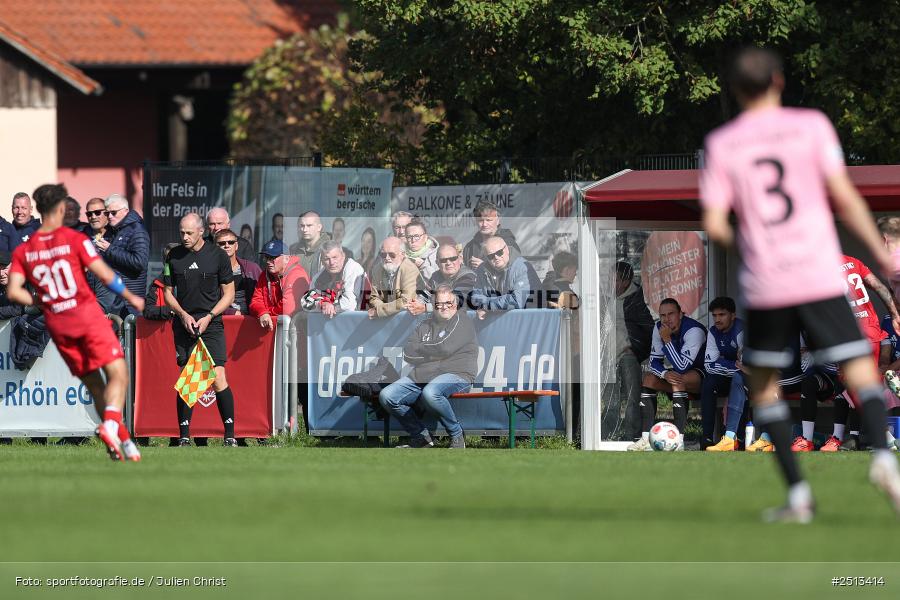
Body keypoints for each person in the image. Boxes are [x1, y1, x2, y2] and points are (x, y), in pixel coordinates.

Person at [700, 46, 900, 520]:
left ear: (735, 90)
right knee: (859, 368)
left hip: (768, 282)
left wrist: (752, 246)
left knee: (761, 383)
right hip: (818, 271)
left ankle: (798, 495)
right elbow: (845, 197)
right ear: (779, 81)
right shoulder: (812, 126)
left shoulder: (723, 143)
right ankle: (883, 458)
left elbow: (714, 222)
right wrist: (880, 256)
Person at [6, 183, 145, 461]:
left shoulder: (25, 250)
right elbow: (106, 275)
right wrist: (132, 296)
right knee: (119, 374)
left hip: (59, 325)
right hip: (85, 316)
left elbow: (13, 291)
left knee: (95, 384)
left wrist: (42, 301)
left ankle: (120, 440)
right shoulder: (75, 240)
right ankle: (110, 425)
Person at [791, 254, 898, 452]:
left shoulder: (819, 268)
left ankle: (882, 435)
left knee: (853, 386)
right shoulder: (853, 261)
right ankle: (883, 435)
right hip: (872, 331)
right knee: (863, 386)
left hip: (850, 334)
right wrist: (895, 314)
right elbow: (880, 287)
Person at [163, 213, 238, 447]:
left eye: (189, 233)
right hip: (184, 324)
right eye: (182, 233)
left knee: (217, 376)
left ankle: (230, 436)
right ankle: (184, 437)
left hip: (211, 323)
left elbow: (229, 294)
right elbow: (167, 293)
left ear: (201, 232)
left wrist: (210, 316)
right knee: (189, 377)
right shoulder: (173, 256)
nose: (184, 237)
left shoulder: (218, 256)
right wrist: (183, 315)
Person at [379, 285, 477, 448]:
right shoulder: (424, 324)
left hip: (457, 374)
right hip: (423, 375)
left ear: (455, 304)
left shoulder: (463, 320)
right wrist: (434, 353)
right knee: (387, 396)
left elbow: (446, 347)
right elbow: (408, 353)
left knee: (431, 393)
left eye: (448, 303)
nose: (444, 307)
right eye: (439, 304)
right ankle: (421, 437)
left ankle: (457, 435)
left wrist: (423, 349)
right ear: (433, 305)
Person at [627, 298, 706, 451]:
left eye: (671, 314)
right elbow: (654, 362)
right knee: (649, 379)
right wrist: (664, 374)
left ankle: (679, 441)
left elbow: (682, 367)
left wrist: (667, 340)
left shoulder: (693, 330)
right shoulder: (659, 328)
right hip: (677, 376)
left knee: (678, 379)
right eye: (662, 315)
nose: (666, 319)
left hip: (702, 378)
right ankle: (646, 439)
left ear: (680, 314)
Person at [615, 262, 654, 442]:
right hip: (606, 356)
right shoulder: (603, 297)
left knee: (632, 396)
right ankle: (607, 434)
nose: (610, 283)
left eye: (615, 279)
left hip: (628, 355)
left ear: (625, 282)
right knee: (609, 398)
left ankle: (632, 435)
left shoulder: (636, 301)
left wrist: (634, 348)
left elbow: (648, 329)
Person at [701, 297, 747, 451]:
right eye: (714, 315)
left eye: (722, 315)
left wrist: (721, 363)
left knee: (739, 379)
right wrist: (733, 365)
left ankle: (739, 439)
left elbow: (747, 367)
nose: (717, 319)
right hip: (730, 374)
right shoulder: (713, 332)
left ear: (733, 315)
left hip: (747, 379)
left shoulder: (741, 330)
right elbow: (709, 365)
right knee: (708, 383)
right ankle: (707, 439)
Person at [95, 193, 149, 316]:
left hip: (129, 304)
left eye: (113, 213)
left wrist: (109, 249)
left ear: (125, 211)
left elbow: (139, 262)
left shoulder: (137, 230)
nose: (109, 216)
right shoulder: (111, 230)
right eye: (107, 213)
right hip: (111, 301)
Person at [469, 235, 541, 319]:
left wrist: (487, 306)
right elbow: (475, 297)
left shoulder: (522, 267)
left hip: (529, 320)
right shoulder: (482, 269)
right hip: (498, 322)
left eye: (499, 252)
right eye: (491, 256)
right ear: (486, 257)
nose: (496, 257)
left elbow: (517, 300)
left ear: (506, 249)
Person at [249, 240, 311, 330]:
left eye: (272, 257)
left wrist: (267, 314)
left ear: (286, 258)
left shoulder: (296, 273)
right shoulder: (264, 274)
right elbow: (255, 301)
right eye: (266, 257)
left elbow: (288, 307)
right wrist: (262, 313)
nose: (268, 261)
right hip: (274, 327)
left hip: (296, 329)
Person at [407, 243, 476, 316]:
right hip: (441, 318)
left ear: (459, 259)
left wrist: (426, 308)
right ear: (437, 263)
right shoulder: (436, 276)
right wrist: (414, 304)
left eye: (453, 259)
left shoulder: (468, 276)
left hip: (464, 318)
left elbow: (456, 302)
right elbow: (425, 296)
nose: (448, 263)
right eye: (443, 260)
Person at [367, 236, 425, 319]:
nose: (387, 258)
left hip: (412, 317)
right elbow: (374, 298)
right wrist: (384, 310)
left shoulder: (409, 269)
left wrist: (380, 311)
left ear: (402, 255)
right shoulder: (377, 269)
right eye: (383, 254)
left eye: (392, 255)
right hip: (389, 317)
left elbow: (406, 300)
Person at [306, 241, 365, 318]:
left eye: (335, 257)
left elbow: (350, 304)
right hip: (331, 322)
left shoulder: (353, 269)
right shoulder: (318, 278)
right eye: (327, 259)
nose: (332, 263)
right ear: (322, 261)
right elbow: (307, 304)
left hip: (356, 320)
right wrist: (322, 304)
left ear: (343, 256)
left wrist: (332, 306)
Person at [462, 200, 520, 271]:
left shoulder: (509, 244)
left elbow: (516, 271)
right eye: (480, 220)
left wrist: (485, 268)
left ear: (497, 220)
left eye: (489, 220)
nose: (484, 224)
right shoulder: (469, 247)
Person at [215, 229, 262, 315]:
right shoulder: (210, 271)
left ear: (236, 246)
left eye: (231, 242)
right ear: (215, 247)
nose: (227, 245)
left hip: (252, 318)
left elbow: (263, 296)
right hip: (223, 318)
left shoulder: (252, 268)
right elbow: (207, 301)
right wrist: (231, 312)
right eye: (222, 243)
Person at [289, 211, 331, 277]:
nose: (304, 230)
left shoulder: (329, 249)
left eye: (309, 226)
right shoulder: (294, 249)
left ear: (319, 227)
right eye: (302, 226)